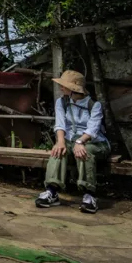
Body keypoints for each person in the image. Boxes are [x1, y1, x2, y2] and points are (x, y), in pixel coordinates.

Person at [35, 69, 109, 214]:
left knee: (84, 152)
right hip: (70, 140)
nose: (61, 88)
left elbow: (93, 130)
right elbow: (60, 124)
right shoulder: (61, 102)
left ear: (73, 88)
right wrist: (60, 141)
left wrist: (80, 142)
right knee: (58, 150)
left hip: (94, 142)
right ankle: (52, 191)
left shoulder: (94, 105)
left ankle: (90, 195)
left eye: (64, 86)